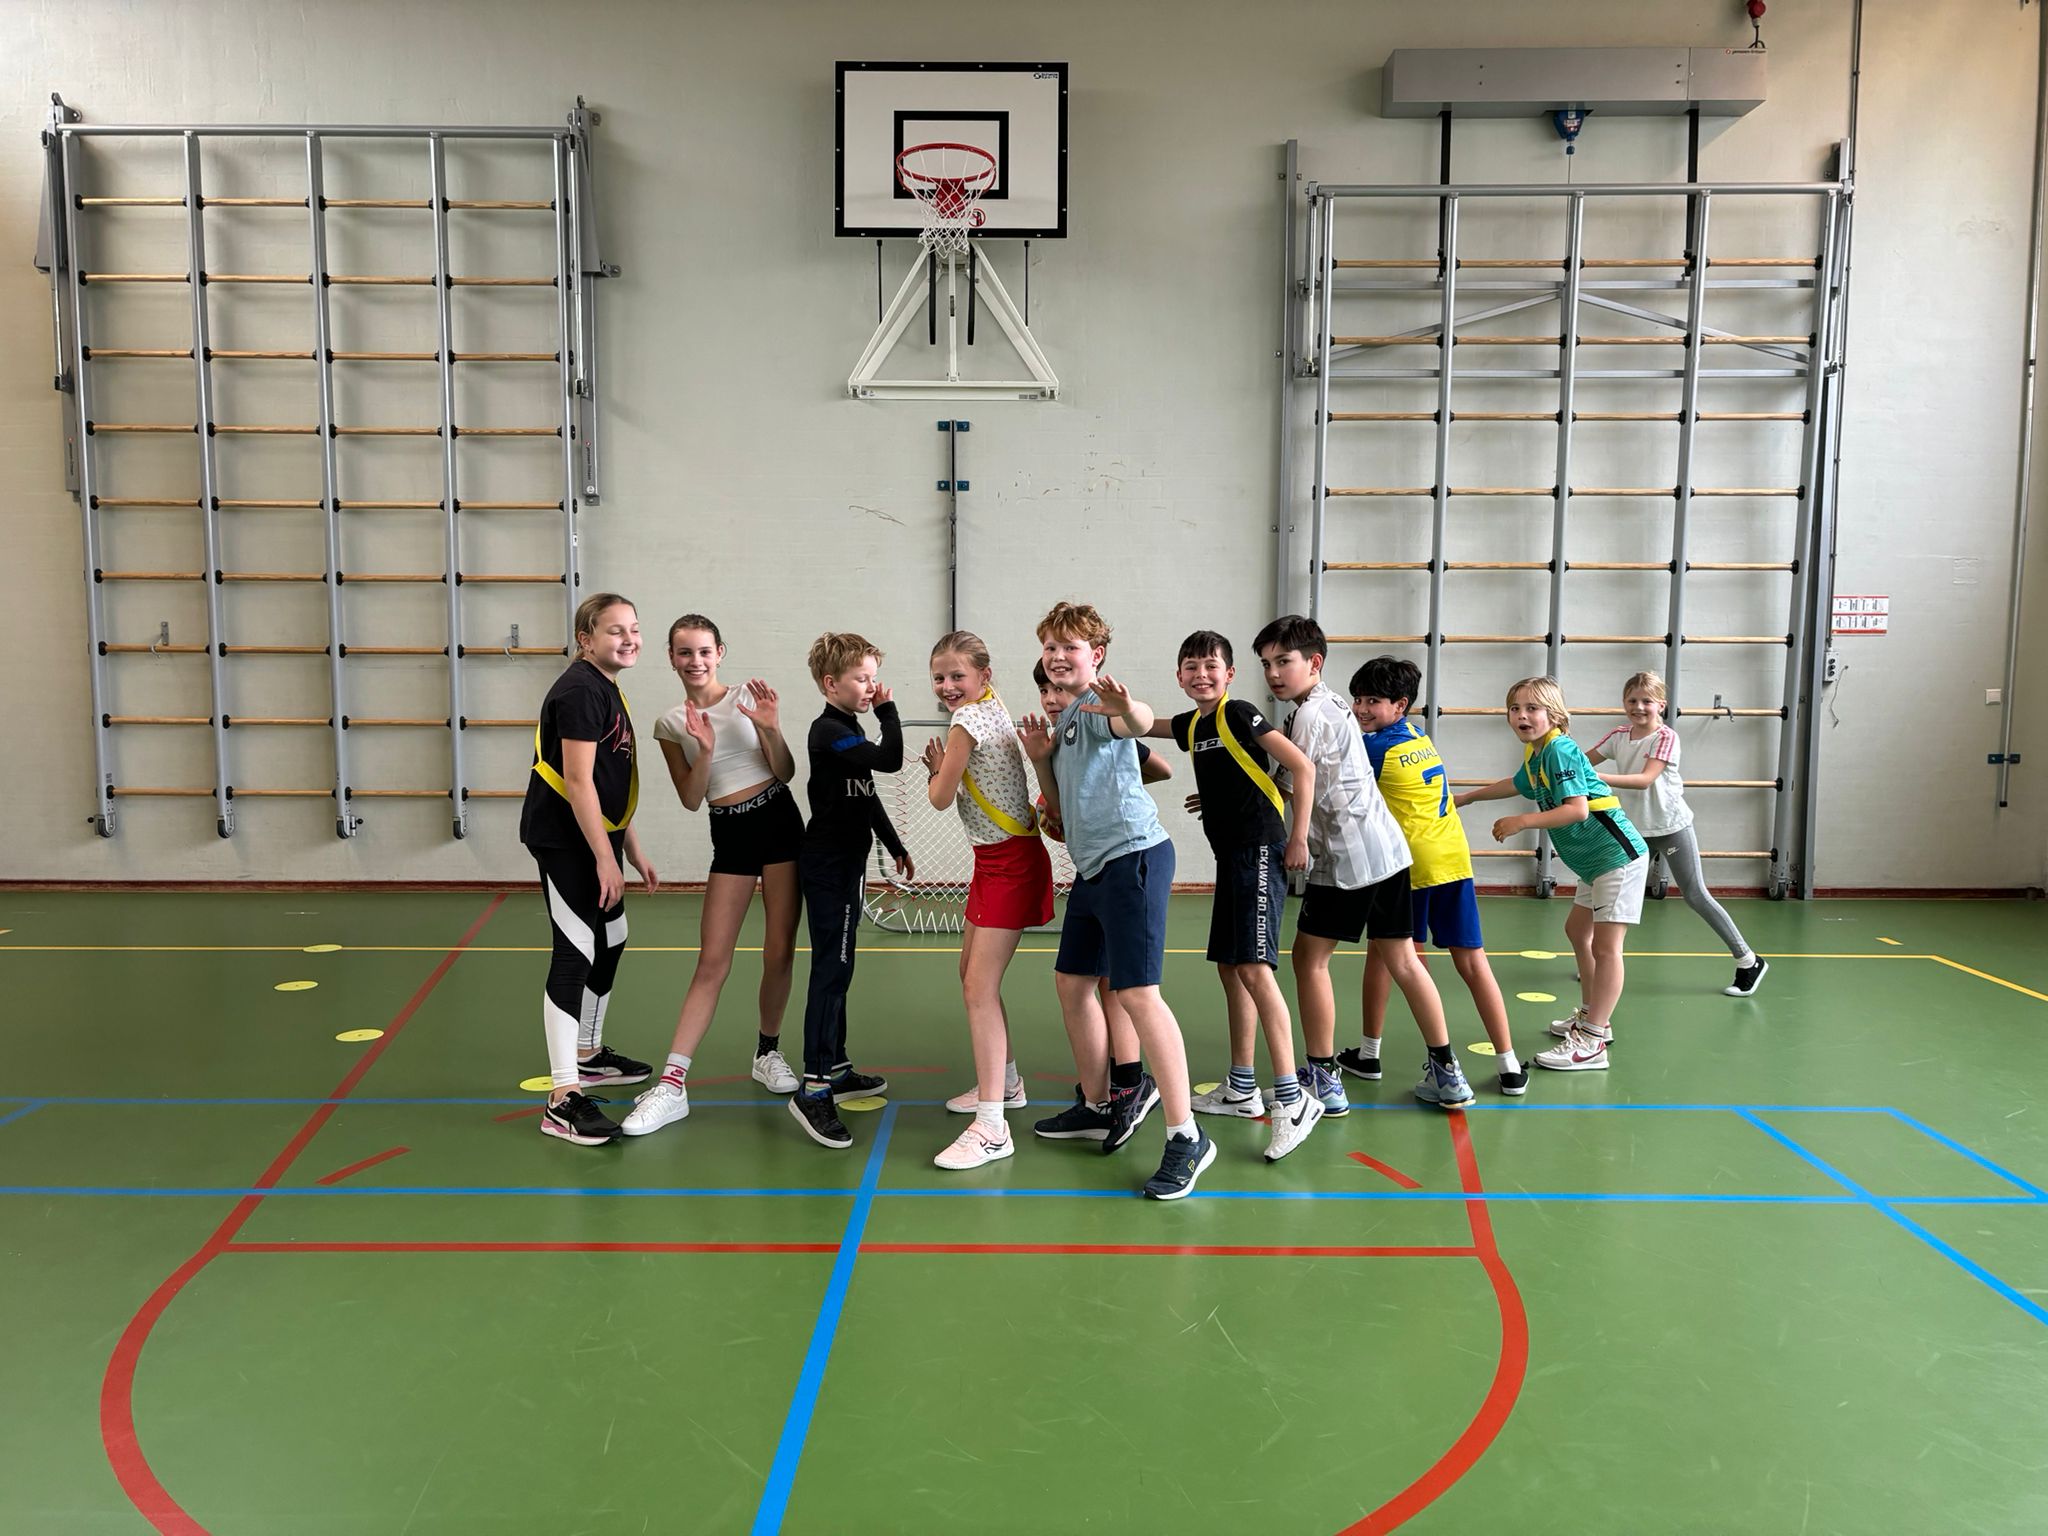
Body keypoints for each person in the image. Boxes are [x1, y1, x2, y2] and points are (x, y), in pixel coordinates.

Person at [1018, 601, 1212, 1199]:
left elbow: (1138, 721)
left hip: (1134, 859)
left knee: (1138, 995)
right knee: (1073, 982)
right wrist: (1041, 759)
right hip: (1094, 869)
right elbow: (1056, 808)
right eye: (1050, 647)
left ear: (1096, 656)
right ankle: (1100, 1103)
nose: (1058, 657)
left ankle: (1187, 1135)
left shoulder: (1098, 708)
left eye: (1070, 647)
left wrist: (1128, 708)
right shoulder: (1066, 724)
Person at [1251, 616, 1473, 1111]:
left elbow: (1298, 780)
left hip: (1347, 857)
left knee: (1310, 959)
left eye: (1283, 661)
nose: (1273, 673)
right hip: (1389, 851)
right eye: (1266, 664)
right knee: (1404, 960)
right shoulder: (1331, 704)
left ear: (1314, 662)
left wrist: (1294, 838)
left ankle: (1323, 1079)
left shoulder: (1310, 714)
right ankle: (1448, 1073)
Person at [1145, 630, 1325, 1160]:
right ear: (1179, 676)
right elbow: (1146, 724)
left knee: (1254, 968)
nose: (1201, 674)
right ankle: (1242, 1087)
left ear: (1229, 674)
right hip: (1231, 855)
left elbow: (1302, 766)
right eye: (1191, 667)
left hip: (1260, 850)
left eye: (1211, 666)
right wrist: (1096, 709)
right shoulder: (1195, 724)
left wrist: (1297, 836)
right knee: (1230, 967)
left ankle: (1292, 1099)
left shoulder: (1240, 712)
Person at [621, 615, 802, 1138]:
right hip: (730, 833)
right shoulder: (669, 722)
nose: (695, 661)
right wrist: (702, 749)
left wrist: (770, 727)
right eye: (684, 652)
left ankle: (767, 1052)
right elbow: (690, 797)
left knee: (779, 952)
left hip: (779, 821)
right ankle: (672, 1083)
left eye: (704, 651)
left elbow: (786, 771)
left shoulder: (749, 696)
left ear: (719, 652)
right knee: (712, 961)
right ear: (671, 658)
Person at [1340, 656, 1527, 1096]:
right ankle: (1509, 1065)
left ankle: (1379, 1055)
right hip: (1453, 856)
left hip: (1410, 865)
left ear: (1400, 704)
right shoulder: (1418, 737)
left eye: (1372, 700)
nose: (1361, 708)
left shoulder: (1374, 748)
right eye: (1357, 699)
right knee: (1471, 961)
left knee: (1388, 955)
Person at [519, 593, 658, 1145]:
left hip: (597, 837)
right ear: (586, 639)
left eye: (634, 628)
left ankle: (588, 1052)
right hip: (566, 842)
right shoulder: (580, 690)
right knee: (575, 951)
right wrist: (605, 857)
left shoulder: (606, 686)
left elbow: (606, 782)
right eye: (615, 630)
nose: (629, 639)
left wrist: (631, 847)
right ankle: (562, 1097)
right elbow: (577, 781)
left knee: (612, 938)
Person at [1456, 675, 1649, 1072]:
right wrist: (1468, 797)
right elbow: (1516, 784)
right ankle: (1594, 1015)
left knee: (1606, 948)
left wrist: (1522, 821)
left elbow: (1577, 809)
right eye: (1515, 708)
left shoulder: (1560, 750)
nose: (1522, 716)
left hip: (1617, 857)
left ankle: (1593, 1041)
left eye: (1532, 708)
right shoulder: (1537, 753)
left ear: (1555, 715)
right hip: (1593, 863)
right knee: (1578, 931)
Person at [919, 631, 1057, 1169]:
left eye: (958, 675)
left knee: (979, 987)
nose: (947, 685)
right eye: (939, 677)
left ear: (984, 675)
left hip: (1010, 864)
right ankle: (1007, 1083)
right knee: (970, 975)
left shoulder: (964, 723)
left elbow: (939, 798)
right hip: (994, 860)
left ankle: (993, 1127)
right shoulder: (992, 704)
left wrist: (936, 770)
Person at [786, 632, 911, 1148]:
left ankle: (835, 1068)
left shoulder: (849, 731)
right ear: (830, 683)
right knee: (830, 972)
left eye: (874, 678)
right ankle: (813, 1089)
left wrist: (894, 844)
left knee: (842, 968)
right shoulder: (828, 731)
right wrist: (889, 713)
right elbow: (890, 760)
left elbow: (867, 794)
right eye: (862, 679)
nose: (871, 687)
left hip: (851, 866)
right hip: (829, 868)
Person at [1589, 671, 1767, 998]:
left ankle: (1748, 960)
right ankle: (1601, 961)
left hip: (1670, 828)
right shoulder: (1618, 736)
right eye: (1632, 700)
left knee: (1695, 894)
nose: (1638, 707)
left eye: (1647, 701)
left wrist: (1597, 777)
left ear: (1661, 704)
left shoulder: (1666, 737)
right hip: (1633, 831)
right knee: (1609, 892)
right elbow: (1583, 763)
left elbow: (1645, 780)